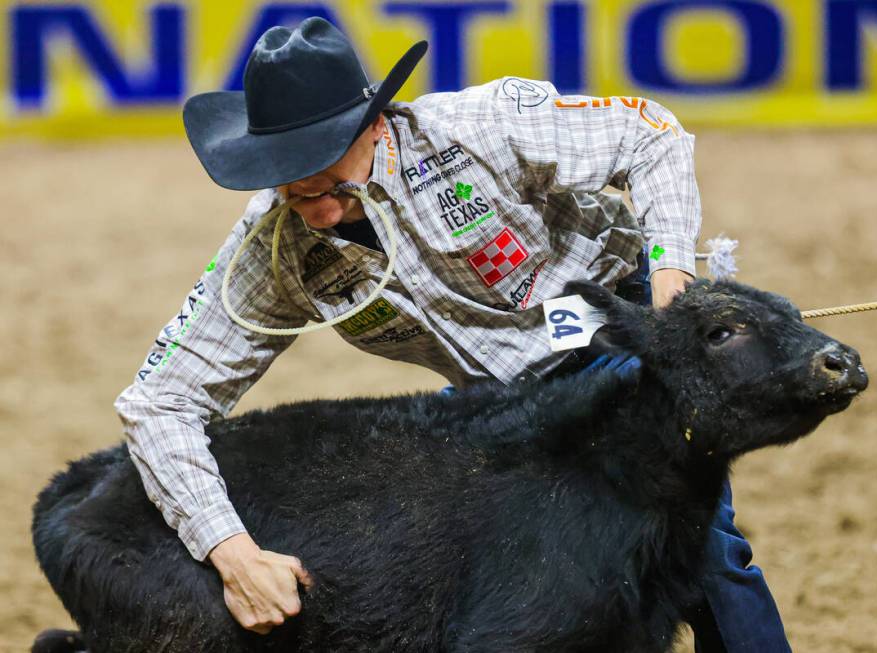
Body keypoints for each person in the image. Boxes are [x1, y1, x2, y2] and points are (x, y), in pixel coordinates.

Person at [114, 16, 790, 651]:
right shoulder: (270, 250)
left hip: (620, 330)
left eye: (328, 174)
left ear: (375, 124)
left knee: (693, 546)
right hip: (501, 405)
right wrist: (229, 548)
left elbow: (650, 133)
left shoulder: (480, 126)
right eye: (290, 184)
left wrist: (670, 274)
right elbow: (159, 401)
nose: (315, 209)